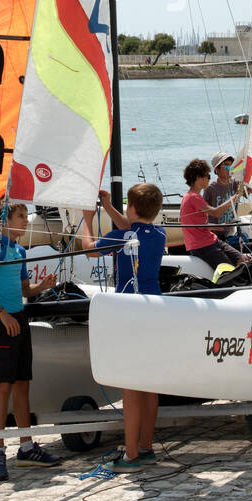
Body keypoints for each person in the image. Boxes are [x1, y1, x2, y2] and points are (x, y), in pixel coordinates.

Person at [0, 201, 61, 481]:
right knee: (3, 388)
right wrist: (2, 314)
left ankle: (26, 447)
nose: (26, 221)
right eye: (21, 216)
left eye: (25, 216)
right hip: (2, 324)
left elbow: (25, 290)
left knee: (23, 385)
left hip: (20, 320)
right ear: (5, 221)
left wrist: (42, 286)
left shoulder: (20, 251)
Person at [82, 183, 166, 471]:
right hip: (154, 310)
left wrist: (87, 219)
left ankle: (130, 456)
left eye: (128, 206)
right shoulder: (158, 234)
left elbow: (89, 251)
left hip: (130, 313)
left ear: (133, 209)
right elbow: (133, 229)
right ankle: (145, 447)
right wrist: (108, 206)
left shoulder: (122, 236)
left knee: (130, 385)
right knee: (148, 384)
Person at [179, 159, 244, 275]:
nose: (209, 179)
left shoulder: (192, 196)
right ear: (198, 177)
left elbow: (199, 224)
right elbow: (216, 212)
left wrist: (219, 227)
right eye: (207, 176)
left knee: (242, 259)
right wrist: (235, 196)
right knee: (229, 271)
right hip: (202, 246)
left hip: (211, 240)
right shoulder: (193, 197)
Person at [203, 151, 252, 245]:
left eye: (231, 166)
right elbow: (203, 215)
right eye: (226, 166)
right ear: (216, 169)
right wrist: (217, 228)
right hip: (215, 233)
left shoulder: (236, 183)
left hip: (230, 232)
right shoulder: (210, 189)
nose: (230, 169)